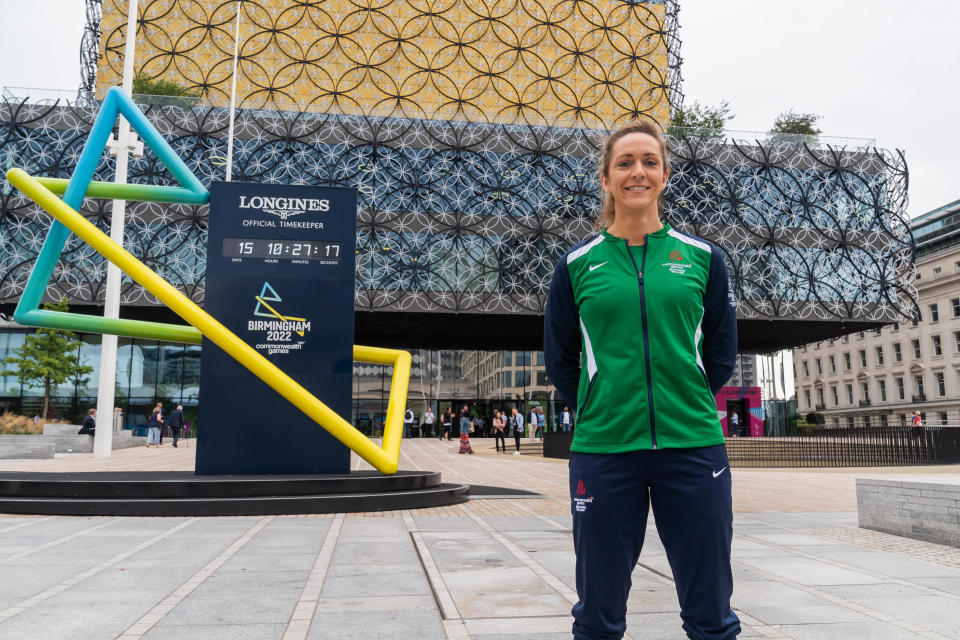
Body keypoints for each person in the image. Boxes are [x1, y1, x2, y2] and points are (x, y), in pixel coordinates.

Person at [544, 119, 740, 640]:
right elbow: (561, 360)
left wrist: (687, 396)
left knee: (711, 612)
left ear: (665, 175)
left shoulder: (702, 259)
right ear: (607, 180)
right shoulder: (576, 266)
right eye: (625, 163)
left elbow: (720, 353)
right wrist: (601, 402)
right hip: (605, 448)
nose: (638, 172)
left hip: (693, 444)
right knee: (597, 614)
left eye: (649, 162)